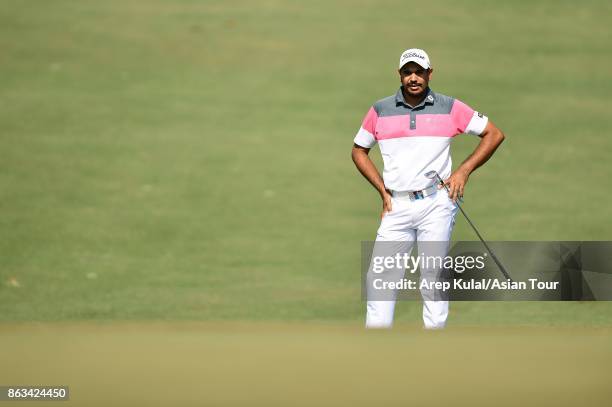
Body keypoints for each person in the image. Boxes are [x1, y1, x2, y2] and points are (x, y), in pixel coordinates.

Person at [351, 48, 505, 329]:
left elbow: (493, 134)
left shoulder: (450, 107)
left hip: (436, 202)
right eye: (408, 72)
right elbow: (359, 150)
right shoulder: (380, 110)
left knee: (433, 276)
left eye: (419, 72)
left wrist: (463, 171)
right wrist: (382, 191)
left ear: (429, 74)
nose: (413, 78)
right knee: (380, 278)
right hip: (396, 205)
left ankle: (433, 351)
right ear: (399, 75)